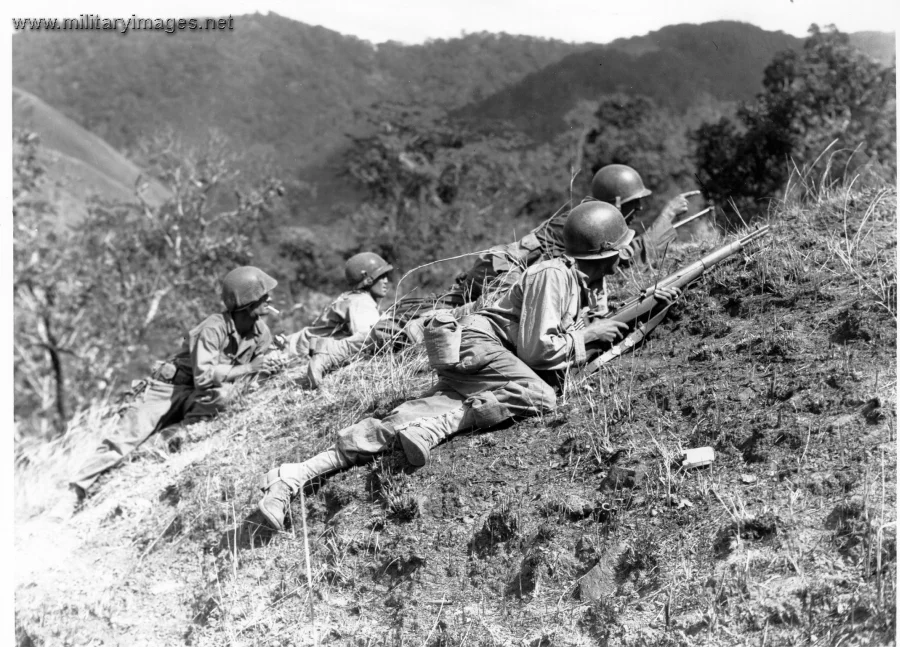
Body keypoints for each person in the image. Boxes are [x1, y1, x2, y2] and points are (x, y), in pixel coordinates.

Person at [255, 201, 680, 531]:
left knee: (406, 416)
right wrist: (584, 338)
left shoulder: (588, 283)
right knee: (540, 394)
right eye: (620, 248)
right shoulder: (555, 275)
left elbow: (576, 334)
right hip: (484, 346)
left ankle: (293, 475)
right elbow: (538, 353)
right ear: (602, 250)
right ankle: (446, 424)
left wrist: (631, 316)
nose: (624, 257)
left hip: (491, 360)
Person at [302, 164, 698, 387]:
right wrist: (668, 217)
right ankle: (333, 353)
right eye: (634, 206)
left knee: (427, 317)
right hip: (502, 276)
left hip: (508, 278)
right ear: (614, 202)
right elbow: (630, 257)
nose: (637, 214)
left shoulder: (592, 223)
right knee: (424, 324)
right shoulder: (585, 226)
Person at [66, 266, 285, 506]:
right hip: (167, 390)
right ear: (246, 302)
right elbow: (205, 376)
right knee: (125, 439)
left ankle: (175, 437)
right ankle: (75, 491)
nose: (269, 299)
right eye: (263, 295)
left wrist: (272, 362)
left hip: (200, 396)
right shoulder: (214, 327)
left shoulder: (261, 333)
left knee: (223, 397)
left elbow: (252, 376)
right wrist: (250, 368)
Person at [283, 252, 392, 388]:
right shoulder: (361, 302)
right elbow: (370, 337)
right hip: (287, 354)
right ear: (368, 279)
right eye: (381, 276)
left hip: (289, 346)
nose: (386, 281)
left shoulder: (351, 297)